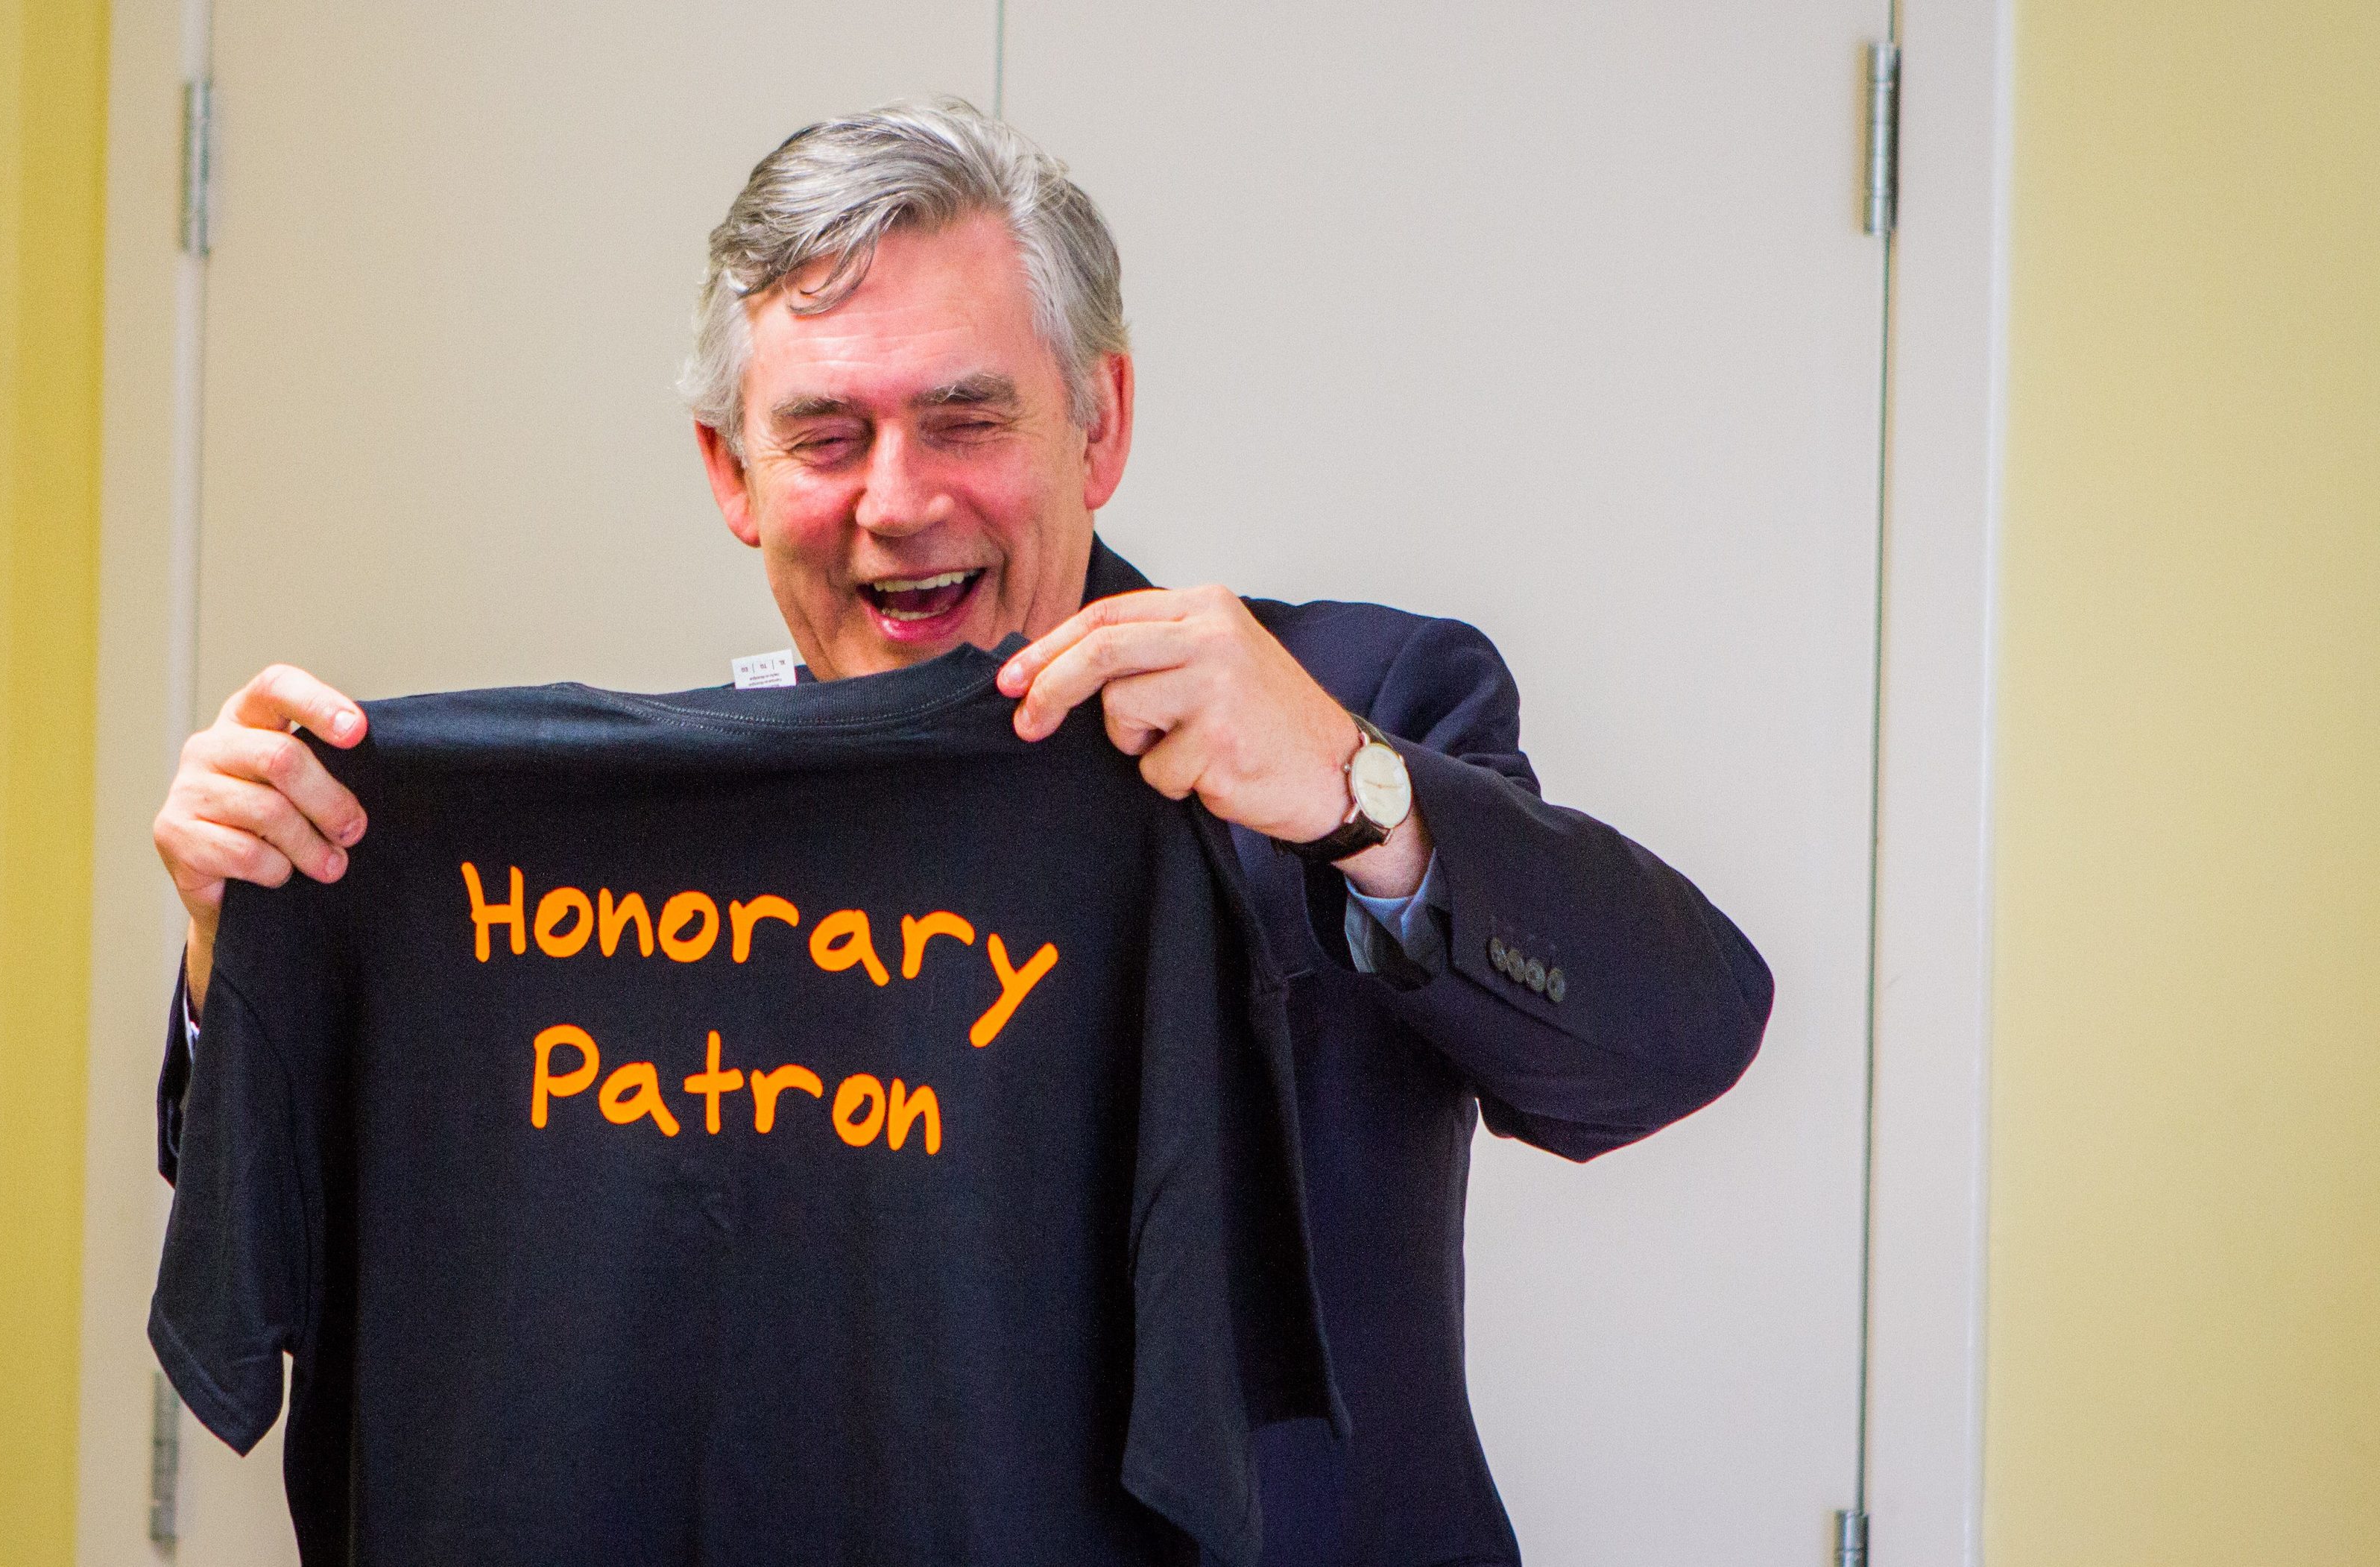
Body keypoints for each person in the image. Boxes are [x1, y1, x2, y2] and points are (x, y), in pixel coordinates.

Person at [151, 98, 1769, 1566]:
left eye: (967, 419)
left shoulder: (1348, 700)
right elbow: (324, 1193)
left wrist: (1359, 792)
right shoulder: (629, 846)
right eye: (827, 435)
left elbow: (1680, 1030)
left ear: (1100, 424)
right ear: (732, 472)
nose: (897, 500)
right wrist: (250, 949)